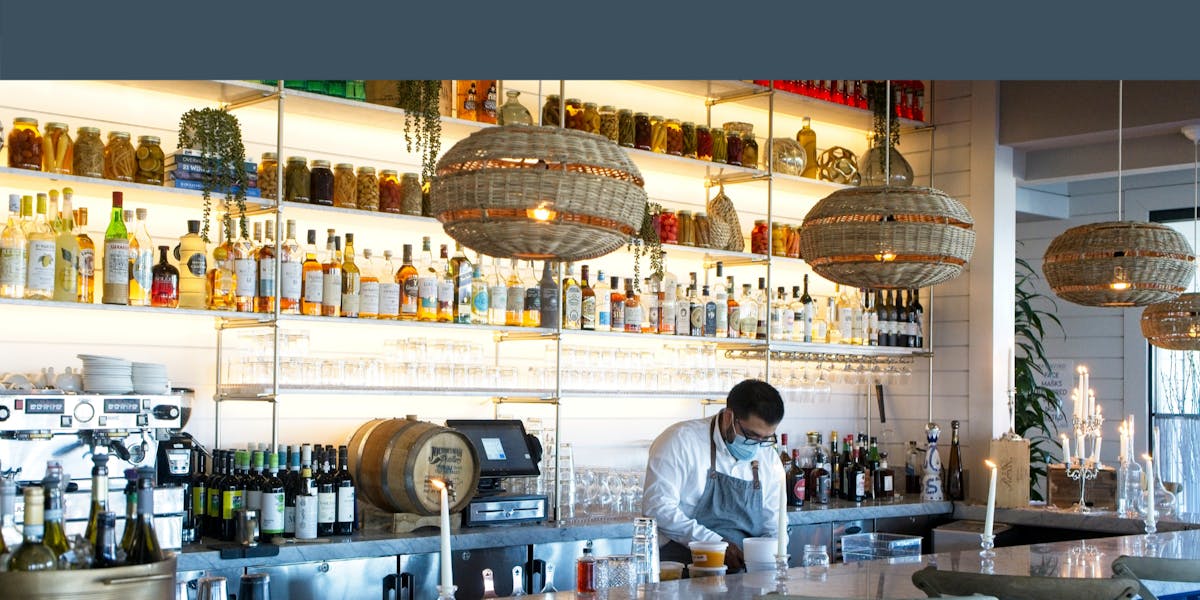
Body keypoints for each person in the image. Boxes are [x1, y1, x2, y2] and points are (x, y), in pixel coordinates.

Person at [642, 379, 787, 571]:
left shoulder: (768, 457)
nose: (757, 446)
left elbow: (775, 524)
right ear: (729, 417)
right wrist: (715, 546)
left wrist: (772, 560)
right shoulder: (680, 441)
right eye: (751, 436)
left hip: (746, 577)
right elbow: (657, 509)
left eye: (766, 439)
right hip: (683, 573)